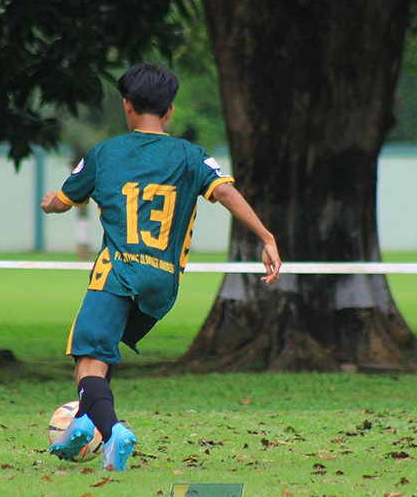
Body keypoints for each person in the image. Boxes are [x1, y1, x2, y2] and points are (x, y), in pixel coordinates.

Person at [40, 64, 282, 471]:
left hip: (118, 273)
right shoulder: (190, 156)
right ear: (169, 111)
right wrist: (266, 237)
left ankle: (113, 431)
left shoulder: (105, 153)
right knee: (105, 351)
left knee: (87, 360)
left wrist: (51, 202)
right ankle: (82, 425)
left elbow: (64, 200)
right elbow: (224, 191)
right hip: (162, 284)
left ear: (127, 106)